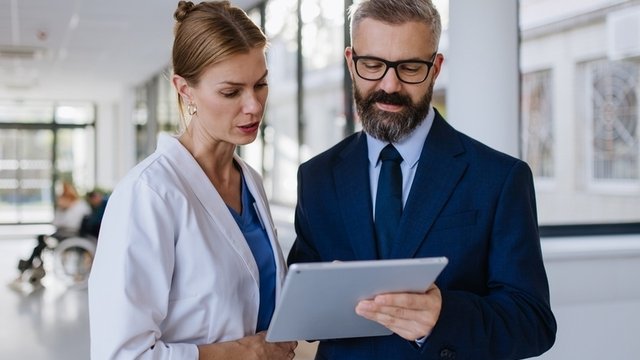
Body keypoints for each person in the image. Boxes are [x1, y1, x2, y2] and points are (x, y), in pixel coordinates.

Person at [286, 0, 557, 359]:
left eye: (410, 67)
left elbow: (533, 323)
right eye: (372, 65)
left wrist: (443, 316)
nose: (390, 84)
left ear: (435, 68)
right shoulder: (316, 177)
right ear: (351, 63)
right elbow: (298, 304)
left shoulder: (499, 178)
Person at [88, 1, 297, 359]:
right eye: (231, 92)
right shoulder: (148, 194)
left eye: (260, 85)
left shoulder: (250, 182)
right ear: (185, 90)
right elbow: (121, 354)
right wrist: (242, 353)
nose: (253, 106)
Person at [16, 181, 91, 278]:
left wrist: (63, 209)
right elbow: (56, 223)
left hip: (70, 235)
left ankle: (29, 265)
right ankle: (34, 265)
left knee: (42, 242)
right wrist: (61, 209)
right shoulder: (73, 206)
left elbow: (65, 223)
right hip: (65, 233)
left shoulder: (79, 206)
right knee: (41, 240)